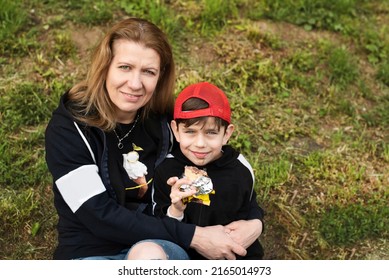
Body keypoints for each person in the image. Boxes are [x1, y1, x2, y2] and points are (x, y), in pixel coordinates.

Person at [45, 17, 253, 260]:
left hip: (158, 246)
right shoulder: (68, 128)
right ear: (105, 67)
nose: (135, 84)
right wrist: (194, 236)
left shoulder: (165, 121)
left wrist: (256, 220)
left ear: (160, 76)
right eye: (125, 67)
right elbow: (96, 214)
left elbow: (217, 163)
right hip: (90, 252)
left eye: (148, 72)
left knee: (148, 256)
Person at [152, 81, 265, 259]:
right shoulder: (166, 170)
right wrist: (176, 210)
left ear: (226, 134)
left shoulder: (240, 170)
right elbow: (158, 225)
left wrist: (255, 224)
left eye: (211, 133)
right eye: (190, 132)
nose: (200, 143)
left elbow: (249, 205)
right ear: (176, 130)